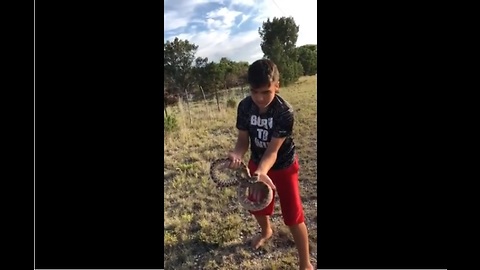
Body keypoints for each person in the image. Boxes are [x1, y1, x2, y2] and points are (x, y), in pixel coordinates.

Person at [227, 59, 314, 270]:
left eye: (266, 92)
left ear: (277, 85)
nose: (259, 98)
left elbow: (273, 151)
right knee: (256, 205)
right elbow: (243, 141)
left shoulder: (285, 112)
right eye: (254, 91)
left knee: (293, 217)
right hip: (257, 165)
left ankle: (306, 264)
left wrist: (261, 172)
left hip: (283, 166)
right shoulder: (245, 106)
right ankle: (266, 231)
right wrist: (237, 154)